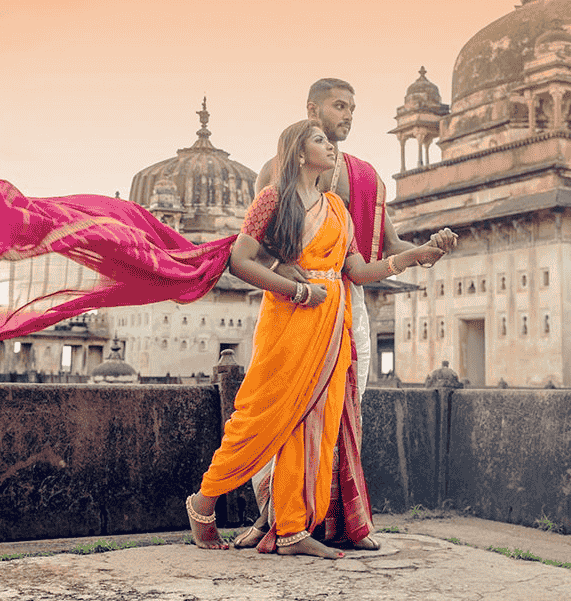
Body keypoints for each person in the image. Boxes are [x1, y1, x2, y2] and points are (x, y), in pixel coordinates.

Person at [184, 119, 455, 559]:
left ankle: (291, 530)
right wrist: (298, 290)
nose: (330, 146)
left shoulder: (335, 207)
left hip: (332, 325)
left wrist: (412, 256)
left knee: (313, 425)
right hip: (290, 317)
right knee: (263, 417)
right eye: (319, 140)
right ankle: (204, 501)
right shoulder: (272, 198)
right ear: (296, 151)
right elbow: (240, 260)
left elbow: (357, 271)